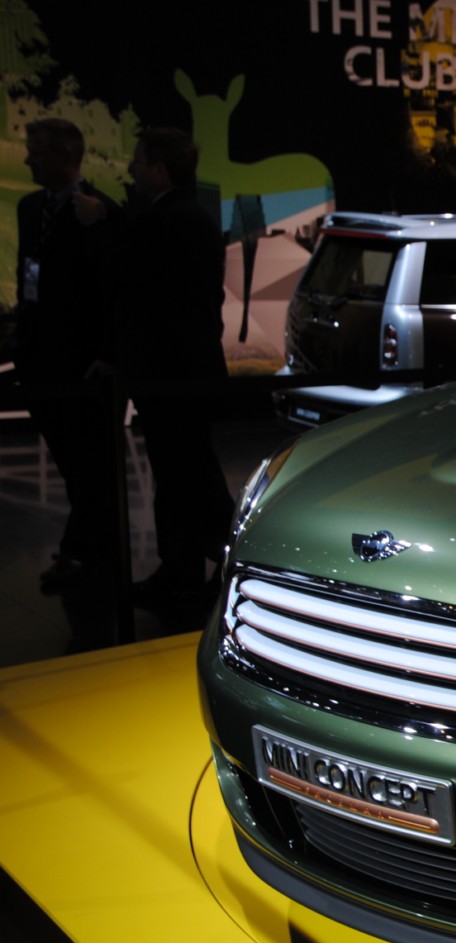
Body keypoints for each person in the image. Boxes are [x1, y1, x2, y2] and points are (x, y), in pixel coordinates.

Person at [118, 127, 235, 603]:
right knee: (186, 472)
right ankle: (189, 569)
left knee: (185, 474)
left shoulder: (162, 221)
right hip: (188, 373)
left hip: (172, 376)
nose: (131, 168)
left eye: (139, 160)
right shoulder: (194, 218)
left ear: (160, 169)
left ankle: (219, 562)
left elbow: (142, 298)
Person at [10, 118, 124, 590]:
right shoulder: (31, 207)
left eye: (36, 151)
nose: (28, 159)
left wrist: (107, 354)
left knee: (89, 462)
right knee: (73, 459)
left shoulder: (100, 212)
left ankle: (86, 550)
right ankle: (90, 547)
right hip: (40, 361)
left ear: (64, 156)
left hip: (81, 365)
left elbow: (114, 290)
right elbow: (29, 277)